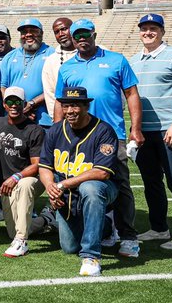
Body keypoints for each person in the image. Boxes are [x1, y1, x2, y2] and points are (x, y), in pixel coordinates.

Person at [54, 18, 143, 258]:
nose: (82, 38)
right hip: (76, 137)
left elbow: (132, 93)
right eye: (77, 35)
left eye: (85, 34)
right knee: (81, 184)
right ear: (72, 39)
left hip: (111, 135)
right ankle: (102, 228)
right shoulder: (67, 68)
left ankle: (128, 237)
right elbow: (60, 103)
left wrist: (136, 128)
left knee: (121, 184)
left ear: (94, 34)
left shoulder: (116, 60)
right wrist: (57, 132)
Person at [131, 13, 172, 250]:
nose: (148, 32)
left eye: (153, 28)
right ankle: (159, 228)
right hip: (144, 132)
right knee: (151, 182)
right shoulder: (134, 60)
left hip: (169, 129)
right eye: (144, 28)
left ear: (162, 31)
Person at [39, 86, 120, 277]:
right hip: (67, 195)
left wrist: (62, 184)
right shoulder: (55, 131)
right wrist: (50, 187)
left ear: (86, 106)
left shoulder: (103, 131)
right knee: (69, 246)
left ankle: (91, 256)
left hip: (101, 188)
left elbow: (102, 173)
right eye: (66, 106)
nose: (69, 111)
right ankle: (106, 226)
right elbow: (44, 166)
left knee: (90, 188)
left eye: (75, 106)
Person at [0, 87, 46, 257]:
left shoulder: (35, 130)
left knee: (24, 185)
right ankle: (46, 220)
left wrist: (16, 176)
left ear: (24, 104)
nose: (14, 106)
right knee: (11, 231)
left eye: (17, 102)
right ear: (4, 105)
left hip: (32, 179)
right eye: (10, 102)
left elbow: (37, 165)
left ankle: (21, 241)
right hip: (7, 184)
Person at [0, 18, 54, 126]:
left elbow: (55, 87)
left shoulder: (52, 54)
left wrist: (32, 104)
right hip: (15, 119)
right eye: (24, 32)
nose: (28, 35)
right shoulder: (10, 57)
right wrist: (16, 107)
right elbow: (3, 87)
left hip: (43, 120)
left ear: (41, 33)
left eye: (33, 31)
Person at [40, 16, 75, 119]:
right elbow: (50, 94)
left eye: (64, 29)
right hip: (67, 119)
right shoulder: (51, 61)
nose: (61, 34)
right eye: (56, 32)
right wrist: (56, 120)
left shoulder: (87, 53)